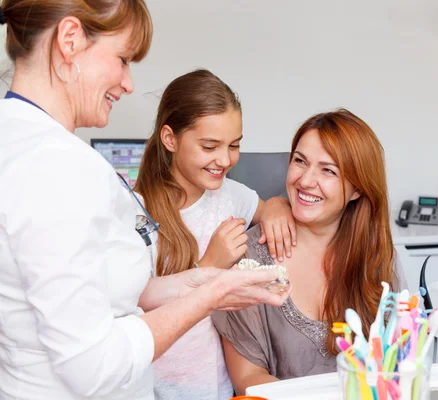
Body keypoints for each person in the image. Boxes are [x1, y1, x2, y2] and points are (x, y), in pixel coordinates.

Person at [0, 2, 288, 399]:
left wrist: (206, 280)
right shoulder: (56, 164)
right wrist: (210, 297)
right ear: (69, 40)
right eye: (122, 59)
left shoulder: (20, 141)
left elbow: (107, 292)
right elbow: (92, 365)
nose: (129, 83)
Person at [212, 109, 408, 395]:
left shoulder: (377, 256)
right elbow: (248, 377)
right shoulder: (249, 258)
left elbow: (394, 361)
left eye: (328, 170)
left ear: (357, 189)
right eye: (299, 161)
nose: (305, 181)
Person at [133, 69, 296, 400]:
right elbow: (136, 304)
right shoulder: (138, 213)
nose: (224, 160)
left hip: (219, 387)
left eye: (234, 145)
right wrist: (210, 264)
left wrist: (278, 204)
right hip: (156, 389)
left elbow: (269, 209)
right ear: (170, 138)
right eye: (210, 146)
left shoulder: (230, 195)